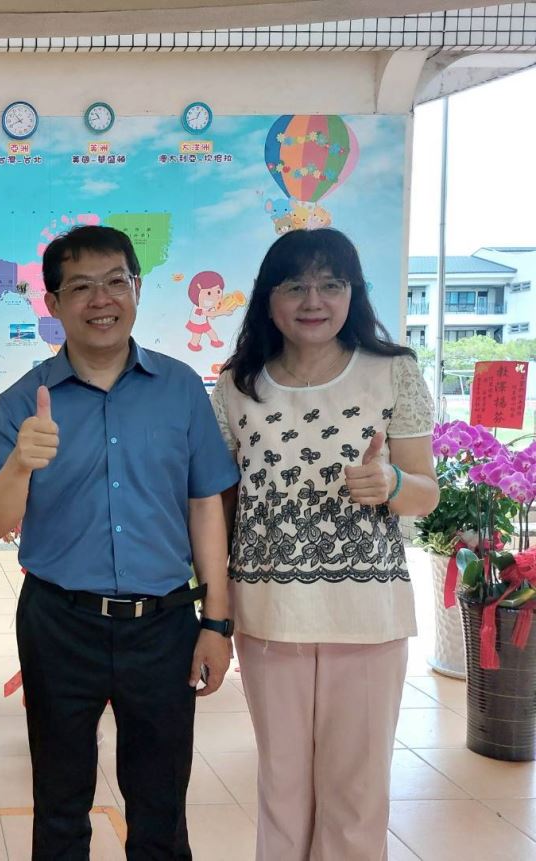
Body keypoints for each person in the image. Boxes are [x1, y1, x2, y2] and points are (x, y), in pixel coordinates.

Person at [0, 225, 238, 860]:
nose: (101, 299)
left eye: (116, 281)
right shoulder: (23, 401)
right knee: (60, 805)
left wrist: (217, 623)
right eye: (81, 286)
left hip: (164, 623)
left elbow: (205, 506)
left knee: (161, 807)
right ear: (54, 303)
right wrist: (19, 465)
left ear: (137, 289)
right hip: (60, 621)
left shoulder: (179, 389)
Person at [210, 228, 438, 861]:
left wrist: (392, 483)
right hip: (268, 614)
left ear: (352, 294)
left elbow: (426, 492)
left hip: (368, 615)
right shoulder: (237, 385)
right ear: (269, 298)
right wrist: (214, 605)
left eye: (330, 285)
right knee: (281, 786)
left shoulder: (392, 371)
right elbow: (220, 507)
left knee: (356, 793)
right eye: (295, 286)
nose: (313, 300)